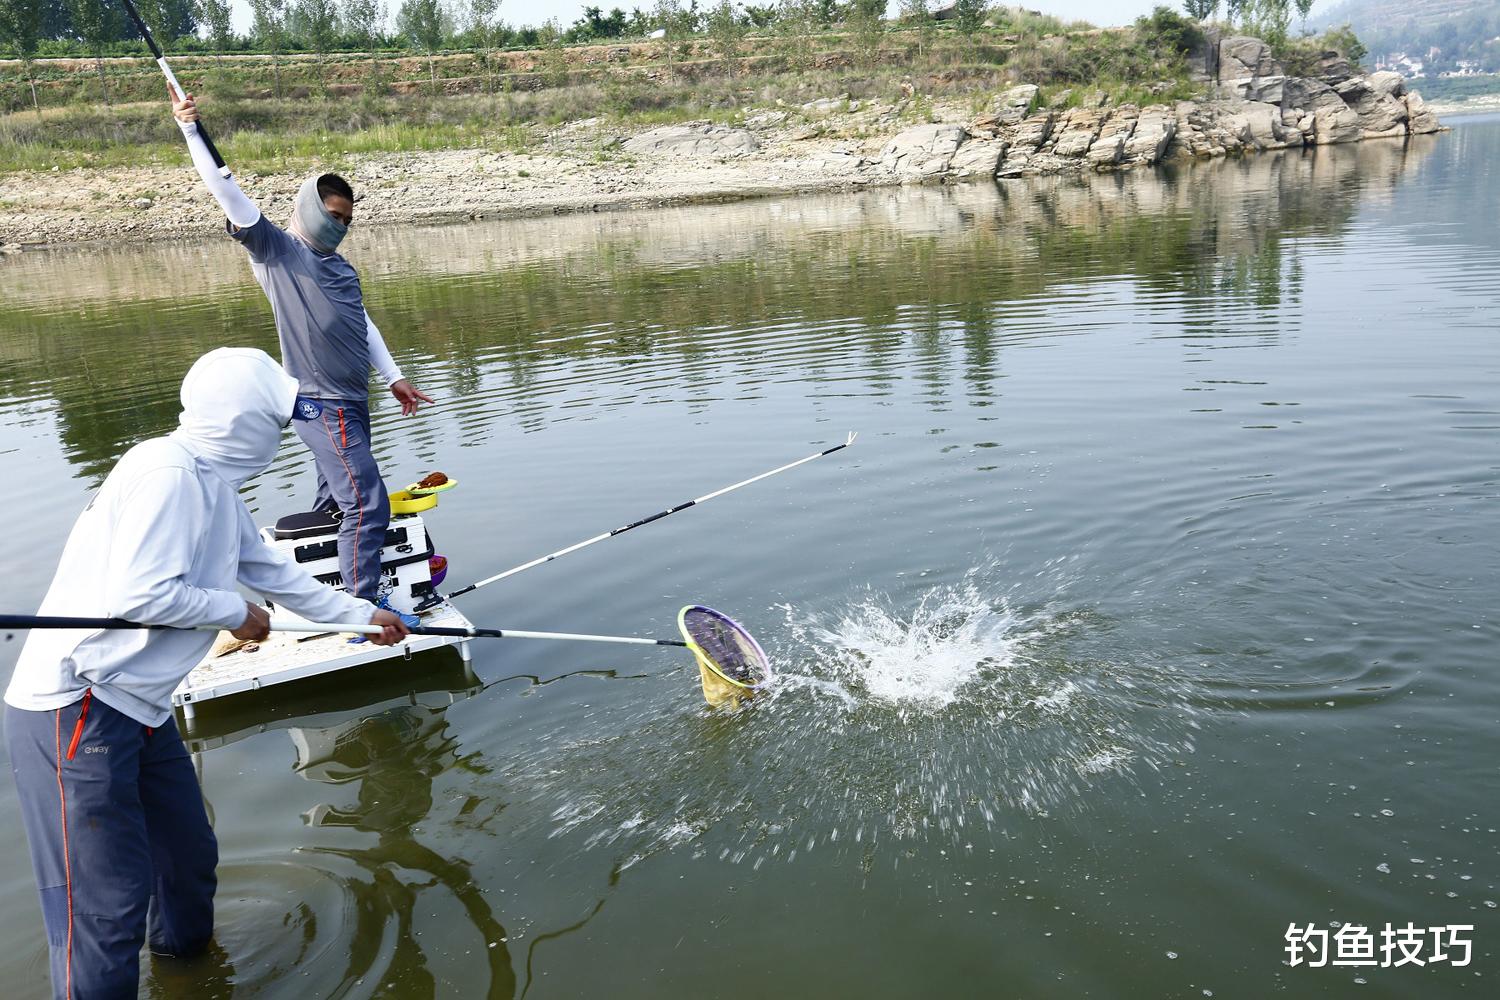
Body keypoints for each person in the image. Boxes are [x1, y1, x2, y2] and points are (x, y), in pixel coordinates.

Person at [3, 348, 410, 999]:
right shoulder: (166, 475)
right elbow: (139, 596)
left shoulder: (211, 485)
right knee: (105, 908)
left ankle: (187, 973)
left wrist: (361, 616)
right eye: (276, 423)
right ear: (240, 420)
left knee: (187, 862)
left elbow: (271, 573)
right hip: (76, 706)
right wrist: (234, 612)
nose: (282, 436)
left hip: (140, 707)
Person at [172, 90, 433, 615]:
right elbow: (228, 193)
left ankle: (321, 594)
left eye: (347, 219)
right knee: (366, 501)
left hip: (353, 401)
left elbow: (360, 322)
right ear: (312, 209)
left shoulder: (339, 265)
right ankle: (364, 611)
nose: (340, 224)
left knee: (337, 504)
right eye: (334, 215)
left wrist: (392, 377)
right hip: (320, 402)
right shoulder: (278, 251)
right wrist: (191, 131)